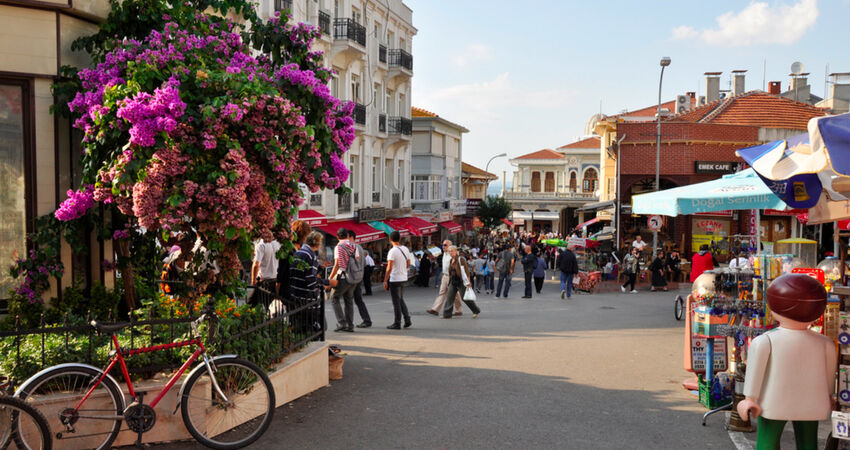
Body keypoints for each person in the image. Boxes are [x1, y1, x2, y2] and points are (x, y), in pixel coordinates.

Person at [737, 274, 836, 450]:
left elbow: (756, 372)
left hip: (773, 402)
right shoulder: (826, 343)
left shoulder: (765, 341)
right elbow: (829, 377)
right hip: (811, 402)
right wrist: (829, 396)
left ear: (773, 305)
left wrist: (749, 398)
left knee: (767, 443)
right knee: (808, 443)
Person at [290, 231, 335, 334]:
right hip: (308, 298)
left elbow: (303, 272)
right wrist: (328, 282)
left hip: (296, 294)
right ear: (318, 243)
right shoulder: (311, 256)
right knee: (321, 326)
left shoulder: (299, 252)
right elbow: (311, 281)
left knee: (303, 325)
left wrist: (319, 268)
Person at [328, 228, 357, 332]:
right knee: (349, 300)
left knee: (334, 297)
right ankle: (350, 325)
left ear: (337, 237)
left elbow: (337, 265)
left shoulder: (339, 246)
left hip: (343, 276)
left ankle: (342, 322)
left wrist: (330, 278)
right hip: (353, 276)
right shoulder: (354, 245)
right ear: (348, 235)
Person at [441, 245, 481, 319]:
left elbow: (466, 271)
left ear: (456, 251)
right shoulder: (451, 260)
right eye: (449, 251)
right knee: (449, 297)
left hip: (461, 281)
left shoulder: (461, 259)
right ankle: (447, 314)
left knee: (465, 298)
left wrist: (468, 282)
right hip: (453, 281)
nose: (450, 252)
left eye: (452, 251)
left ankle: (476, 310)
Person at [383, 231, 412, 329]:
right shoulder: (405, 249)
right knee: (401, 299)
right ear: (399, 239)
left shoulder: (392, 251)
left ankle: (397, 322)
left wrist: (385, 280)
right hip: (404, 277)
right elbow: (408, 263)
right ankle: (407, 319)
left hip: (395, 278)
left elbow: (389, 267)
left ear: (390, 239)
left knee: (396, 302)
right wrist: (402, 269)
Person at [427, 240, 463, 316]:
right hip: (445, 276)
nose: (443, 246)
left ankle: (459, 310)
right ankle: (435, 309)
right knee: (442, 292)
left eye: (445, 245)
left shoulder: (453, 254)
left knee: (456, 294)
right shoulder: (444, 253)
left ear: (450, 246)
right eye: (443, 245)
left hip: (452, 276)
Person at [345, 230, 372, 329]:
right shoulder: (360, 247)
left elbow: (353, 263)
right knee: (358, 299)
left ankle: (349, 323)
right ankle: (366, 320)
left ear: (351, 237)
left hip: (353, 277)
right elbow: (364, 263)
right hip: (359, 276)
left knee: (350, 300)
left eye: (347, 237)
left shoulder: (354, 248)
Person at [250, 232, 281, 307]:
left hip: (264, 281)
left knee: (252, 304)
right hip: (275, 280)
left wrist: (253, 280)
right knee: (268, 306)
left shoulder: (261, 245)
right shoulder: (278, 243)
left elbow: (256, 264)